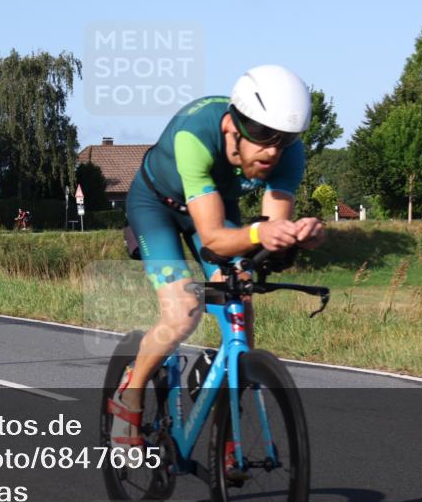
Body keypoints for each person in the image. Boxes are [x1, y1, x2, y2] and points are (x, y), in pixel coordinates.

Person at [108, 65, 327, 449]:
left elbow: (268, 238)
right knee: (183, 311)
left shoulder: (288, 155)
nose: (272, 150)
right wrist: (259, 232)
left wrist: (299, 237)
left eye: (285, 139)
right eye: (261, 134)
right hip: (156, 207)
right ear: (231, 126)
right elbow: (213, 239)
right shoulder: (195, 136)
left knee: (241, 297)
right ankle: (131, 393)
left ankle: (226, 419)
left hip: (215, 205)